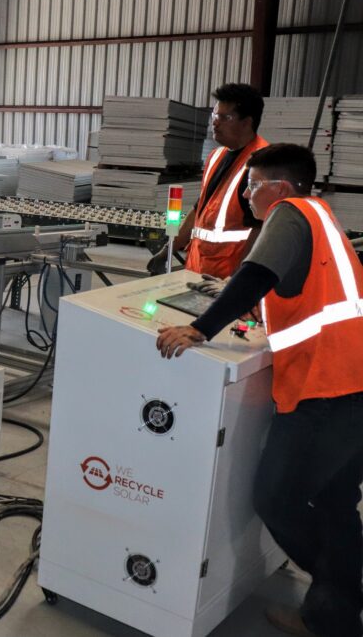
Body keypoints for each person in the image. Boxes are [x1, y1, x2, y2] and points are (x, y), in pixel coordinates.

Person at [156, 143, 363, 637]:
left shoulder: (288, 215)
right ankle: (338, 605)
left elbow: (255, 275)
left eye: (253, 185)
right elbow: (306, 289)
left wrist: (201, 329)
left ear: (281, 188)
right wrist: (262, 311)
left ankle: (340, 594)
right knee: (335, 499)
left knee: (278, 499)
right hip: (353, 382)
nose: (247, 194)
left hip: (322, 390)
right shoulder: (323, 216)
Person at [147, 83, 269, 278]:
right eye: (215, 115)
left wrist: (239, 278)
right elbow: (199, 209)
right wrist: (169, 249)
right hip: (198, 270)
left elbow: (262, 228)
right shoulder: (216, 156)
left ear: (247, 122)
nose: (215, 122)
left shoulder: (263, 163)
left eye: (224, 117)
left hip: (225, 277)